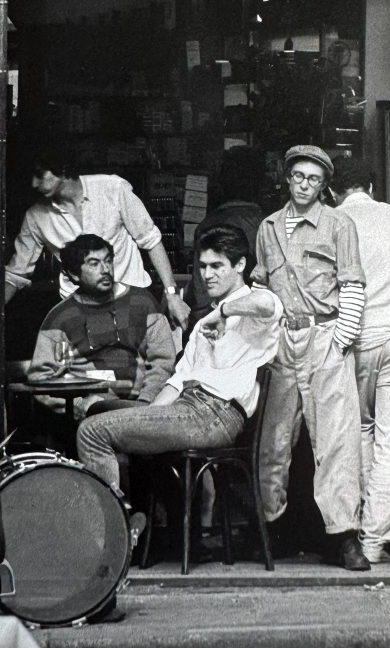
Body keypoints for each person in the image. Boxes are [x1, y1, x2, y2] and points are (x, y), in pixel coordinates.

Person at [77, 224, 283, 496]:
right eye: (202, 266)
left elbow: (269, 306)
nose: (207, 275)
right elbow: (177, 382)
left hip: (216, 413)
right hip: (187, 408)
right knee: (98, 409)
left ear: (240, 264)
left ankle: (113, 528)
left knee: (91, 432)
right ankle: (139, 513)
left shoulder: (253, 304)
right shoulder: (203, 324)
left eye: (217, 266)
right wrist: (146, 418)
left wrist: (223, 311)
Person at [251, 145, 369, 571]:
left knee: (337, 442)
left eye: (314, 179)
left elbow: (354, 285)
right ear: (287, 177)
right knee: (274, 441)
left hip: (324, 337)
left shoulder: (339, 224)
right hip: (282, 340)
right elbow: (261, 287)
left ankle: (344, 538)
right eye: (298, 176)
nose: (304, 185)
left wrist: (340, 339)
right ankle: (272, 531)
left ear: (325, 185)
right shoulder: (267, 227)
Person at [329, 156, 390, 563]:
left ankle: (360, 535)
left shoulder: (330, 223)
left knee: (359, 437)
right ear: (372, 185)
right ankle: (375, 541)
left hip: (354, 344)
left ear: (332, 191)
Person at [5, 148, 189, 329]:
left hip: (132, 301)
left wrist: (172, 295)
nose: (34, 184)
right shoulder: (35, 216)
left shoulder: (112, 188)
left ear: (61, 169)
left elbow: (151, 240)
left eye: (39, 175)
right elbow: (16, 273)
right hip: (80, 311)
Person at [28, 234, 176, 418]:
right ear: (74, 274)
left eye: (108, 261)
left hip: (141, 408)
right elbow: (41, 378)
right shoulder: (61, 318)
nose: (105, 269)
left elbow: (162, 363)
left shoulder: (142, 303)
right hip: (89, 412)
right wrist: (78, 406)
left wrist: (145, 406)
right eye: (94, 263)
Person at [184, 146, 265, 327]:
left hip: (213, 320)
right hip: (253, 323)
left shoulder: (206, 225)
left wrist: (203, 321)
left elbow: (201, 290)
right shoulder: (265, 225)